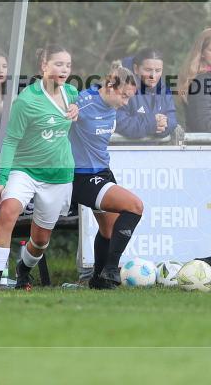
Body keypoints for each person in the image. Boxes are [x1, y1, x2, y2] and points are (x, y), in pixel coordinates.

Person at [0, 44, 80, 291]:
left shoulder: (72, 93)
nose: (64, 69)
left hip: (58, 174)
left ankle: (23, 269)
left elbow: (91, 104)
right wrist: (2, 179)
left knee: (41, 239)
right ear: (44, 66)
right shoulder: (26, 101)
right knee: (8, 212)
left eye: (67, 65)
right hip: (24, 169)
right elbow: (10, 141)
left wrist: (77, 109)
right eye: (58, 64)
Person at [69, 64, 144, 289]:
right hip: (82, 176)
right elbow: (61, 120)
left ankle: (99, 280)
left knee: (109, 230)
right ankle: (111, 269)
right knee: (135, 206)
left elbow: (131, 125)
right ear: (110, 86)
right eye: (124, 96)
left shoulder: (112, 105)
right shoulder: (84, 102)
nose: (126, 103)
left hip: (102, 171)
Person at [115, 48, 177, 139]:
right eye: (148, 70)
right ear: (136, 69)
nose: (153, 76)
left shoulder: (164, 89)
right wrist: (151, 124)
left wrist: (164, 124)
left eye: (158, 70)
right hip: (125, 147)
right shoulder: (120, 87)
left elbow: (172, 119)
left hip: (156, 147)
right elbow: (119, 122)